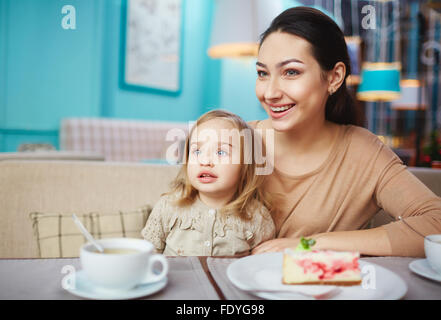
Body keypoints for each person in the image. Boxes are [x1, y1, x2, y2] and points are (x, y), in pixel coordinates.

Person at [249, 6, 441, 257]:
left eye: (291, 72)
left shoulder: (362, 153)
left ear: (334, 77)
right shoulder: (238, 142)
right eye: (262, 73)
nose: (270, 92)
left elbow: (435, 224)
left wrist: (311, 244)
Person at [141, 110, 275, 256]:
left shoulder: (258, 217)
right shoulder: (168, 206)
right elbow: (145, 256)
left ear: (245, 166)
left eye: (221, 152)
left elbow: (261, 267)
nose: (205, 161)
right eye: (197, 151)